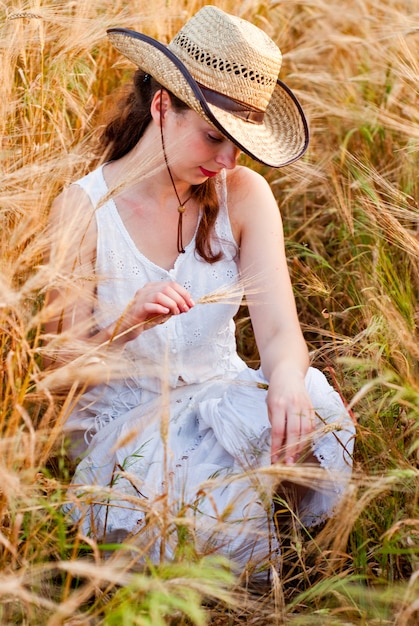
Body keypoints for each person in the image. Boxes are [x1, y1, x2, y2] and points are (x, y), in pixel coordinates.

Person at [45, 6, 355, 581]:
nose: (226, 161)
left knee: (313, 399)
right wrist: (127, 325)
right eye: (215, 136)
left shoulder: (244, 195)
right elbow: (60, 367)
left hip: (219, 394)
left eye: (240, 144)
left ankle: (253, 528)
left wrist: (286, 379)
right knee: (197, 495)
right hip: (128, 430)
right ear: (162, 104)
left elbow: (282, 333)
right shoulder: (84, 209)